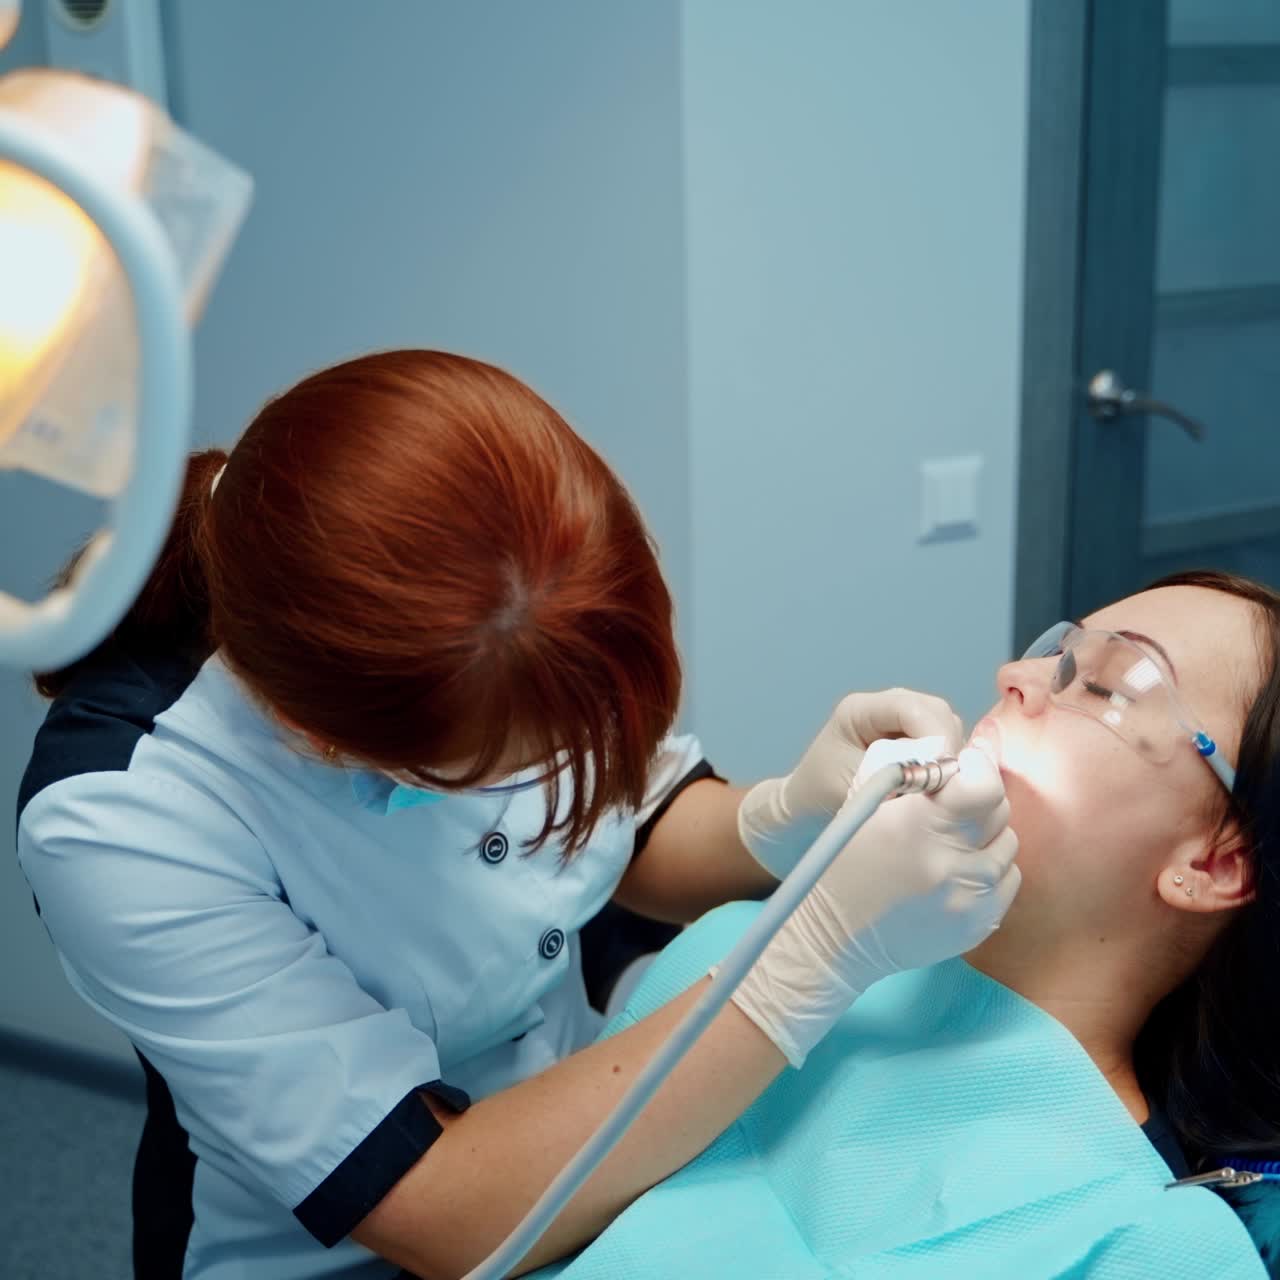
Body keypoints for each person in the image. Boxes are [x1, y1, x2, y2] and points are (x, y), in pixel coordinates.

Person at [14, 350, 1018, 1280]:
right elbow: (434, 1204)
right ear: (323, 738)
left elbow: (629, 831)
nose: (555, 775)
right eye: (501, 765)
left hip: (588, 1160)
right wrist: (811, 956)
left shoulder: (492, 550)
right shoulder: (124, 813)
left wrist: (788, 814)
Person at [542, 568, 1280, 1277]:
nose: (1015, 677)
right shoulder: (749, 943)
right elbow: (477, 1223)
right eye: (1058, 651)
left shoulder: (1150, 1239)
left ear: (1213, 865)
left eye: (1107, 682)